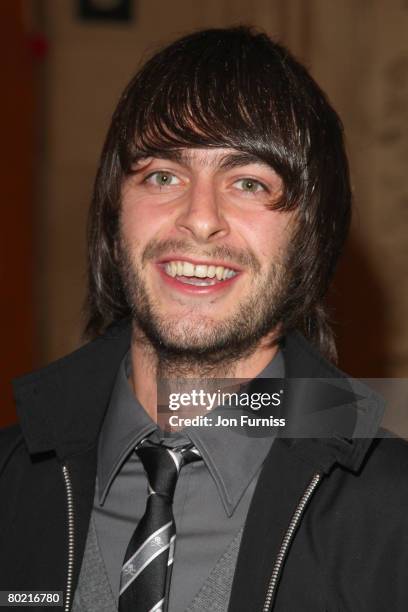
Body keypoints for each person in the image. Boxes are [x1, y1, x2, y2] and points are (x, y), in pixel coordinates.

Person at [0, 26, 407, 612]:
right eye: (163, 175)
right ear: (115, 215)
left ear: (311, 237)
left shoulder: (394, 516)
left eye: (248, 182)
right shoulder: (10, 486)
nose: (199, 217)